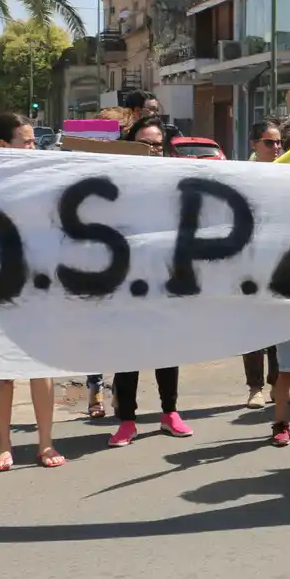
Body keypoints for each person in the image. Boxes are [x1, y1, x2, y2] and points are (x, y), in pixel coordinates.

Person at [0, 114, 66, 471]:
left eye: (33, 141)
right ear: (2, 146)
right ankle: (3, 444)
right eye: (26, 141)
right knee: (2, 368)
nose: (33, 147)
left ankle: (46, 442)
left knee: (40, 365)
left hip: (39, 280)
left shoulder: (42, 175)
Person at [108, 116, 193, 447]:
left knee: (165, 349)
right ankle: (127, 421)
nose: (152, 149)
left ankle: (170, 414)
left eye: (157, 143)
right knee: (128, 352)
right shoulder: (119, 179)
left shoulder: (174, 178)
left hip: (165, 278)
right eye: (144, 142)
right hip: (126, 280)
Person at [240, 119, 290, 408]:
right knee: (253, 328)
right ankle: (254, 388)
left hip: (280, 260)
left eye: (278, 143)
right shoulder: (244, 174)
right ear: (254, 144)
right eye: (269, 142)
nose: (276, 148)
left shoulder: (286, 172)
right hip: (251, 260)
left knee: (278, 328)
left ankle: (278, 385)